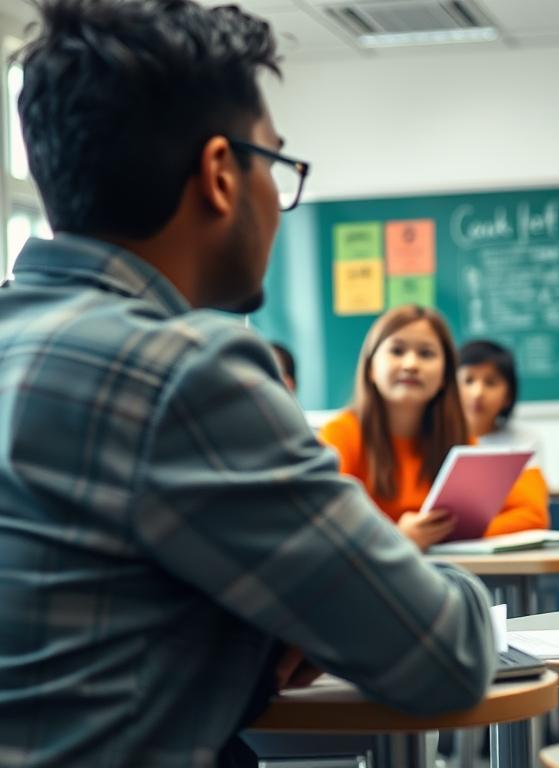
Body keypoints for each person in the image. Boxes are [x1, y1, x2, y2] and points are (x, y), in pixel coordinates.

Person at [0, 1, 494, 764]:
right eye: (277, 165)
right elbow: (446, 654)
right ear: (221, 175)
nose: (278, 199)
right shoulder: (185, 371)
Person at [319, 306, 548, 550]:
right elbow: (319, 526)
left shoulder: (459, 439)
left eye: (426, 354)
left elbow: (533, 514)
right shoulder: (341, 435)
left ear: (445, 376)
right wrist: (395, 537)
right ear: (371, 368)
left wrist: (446, 536)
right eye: (397, 351)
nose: (411, 364)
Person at [458, 338, 546, 474]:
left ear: (508, 396)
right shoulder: (434, 439)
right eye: (468, 380)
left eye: (490, 383)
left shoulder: (525, 441)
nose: (477, 393)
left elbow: (532, 487)